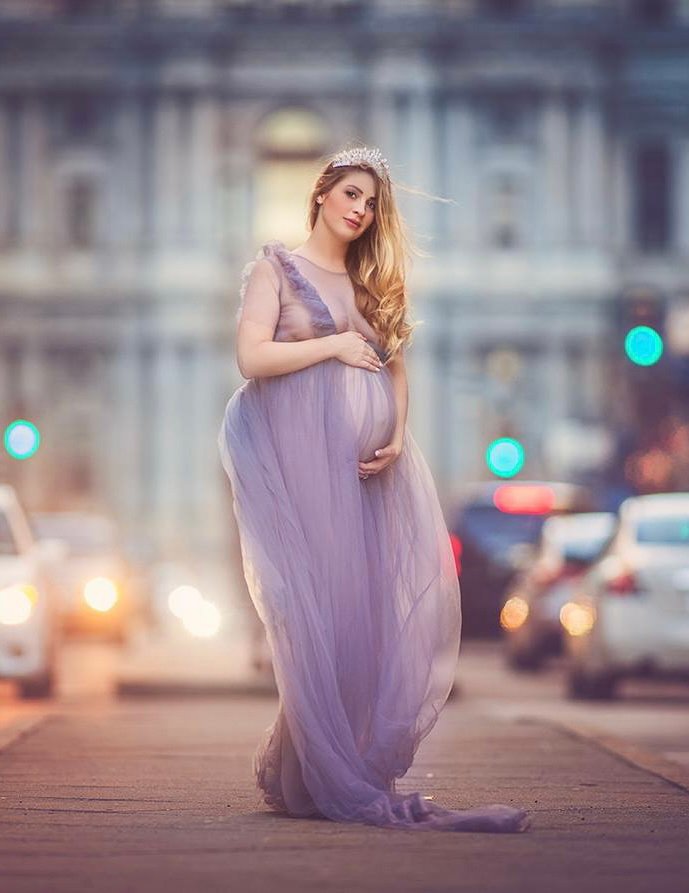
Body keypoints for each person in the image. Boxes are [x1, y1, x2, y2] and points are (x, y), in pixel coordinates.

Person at [217, 145, 530, 833]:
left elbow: (392, 368)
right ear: (322, 193)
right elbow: (251, 357)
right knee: (314, 612)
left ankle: (315, 765)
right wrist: (331, 347)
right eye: (351, 194)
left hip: (362, 476)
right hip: (298, 470)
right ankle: (312, 767)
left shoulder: (368, 285)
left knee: (361, 617)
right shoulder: (275, 269)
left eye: (371, 203)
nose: (360, 210)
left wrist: (394, 433)